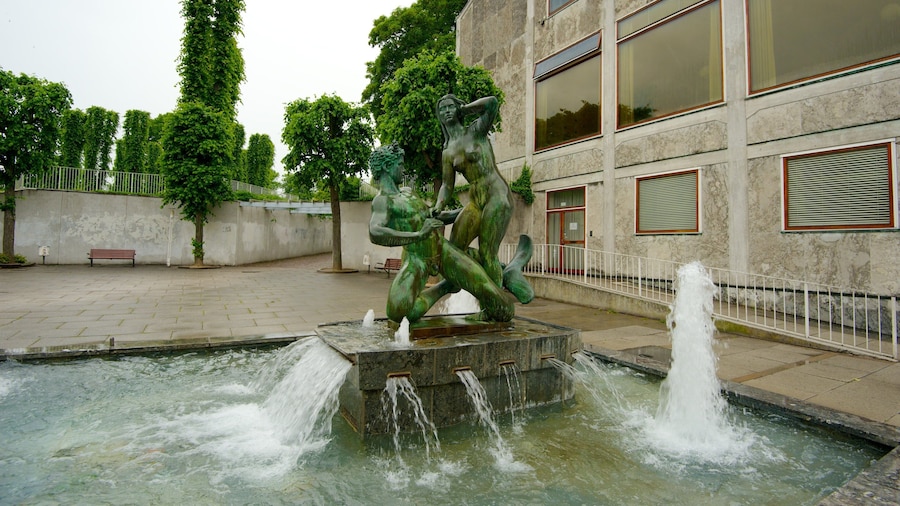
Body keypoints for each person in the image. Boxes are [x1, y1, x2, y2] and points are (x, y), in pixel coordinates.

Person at [368, 143, 514, 323]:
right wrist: (418, 235)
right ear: (385, 167)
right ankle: (446, 286)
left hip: (442, 251)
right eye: (399, 164)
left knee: (500, 304)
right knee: (398, 312)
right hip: (417, 259)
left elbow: (432, 217)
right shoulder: (382, 201)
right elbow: (375, 232)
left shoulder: (408, 192)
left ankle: (504, 275)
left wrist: (470, 211)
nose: (403, 168)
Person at [432, 94, 533, 305]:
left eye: (451, 107)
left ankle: (494, 307)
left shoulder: (476, 130)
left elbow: (492, 103)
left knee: (488, 253)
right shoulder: (448, 152)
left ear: (458, 109)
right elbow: (447, 186)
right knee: (453, 252)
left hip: (497, 195)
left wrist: (465, 108)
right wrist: (438, 205)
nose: (447, 111)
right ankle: (508, 272)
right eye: (442, 109)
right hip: (476, 201)